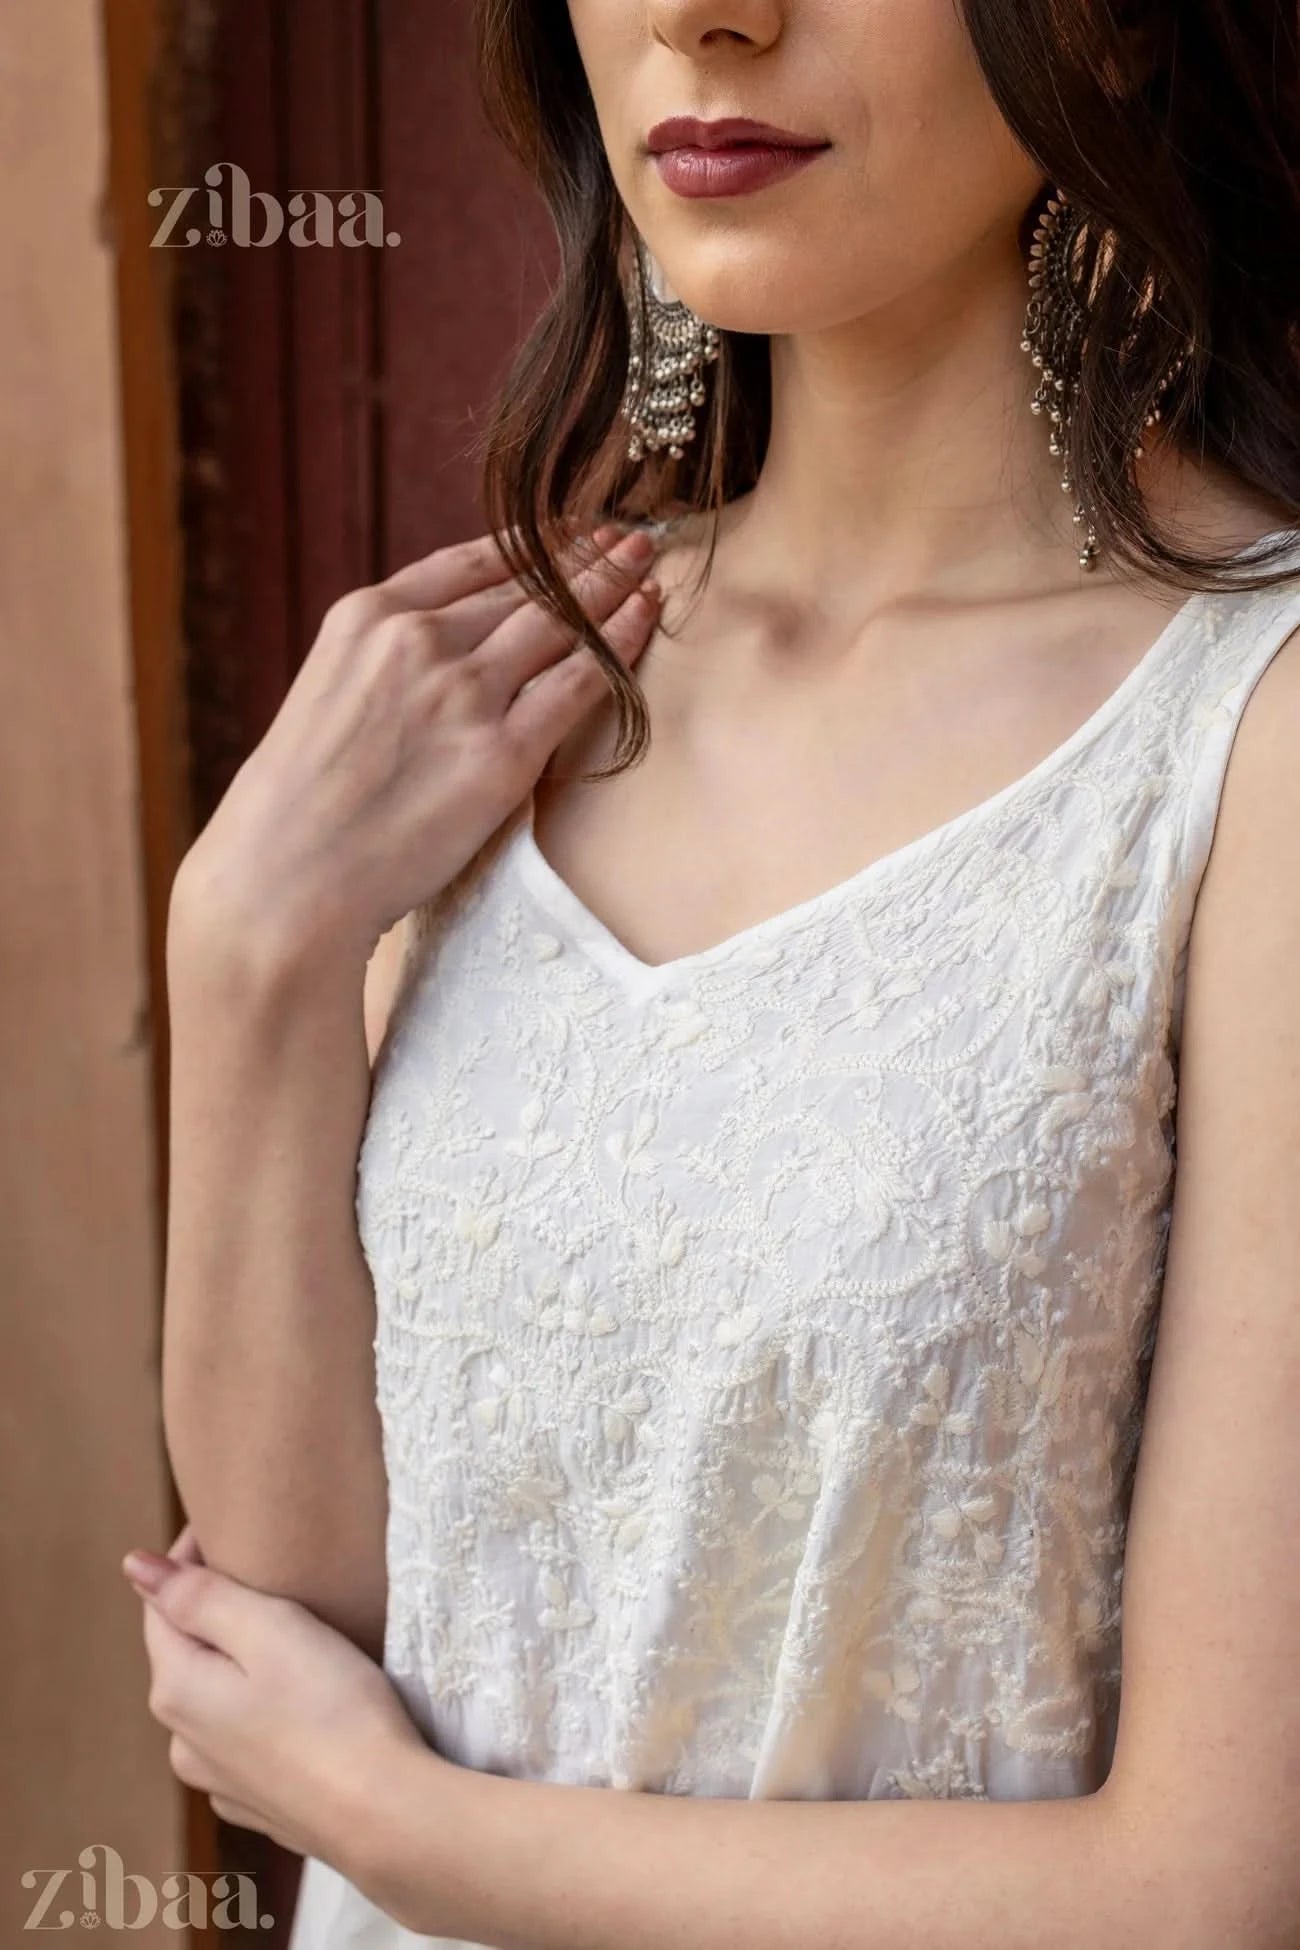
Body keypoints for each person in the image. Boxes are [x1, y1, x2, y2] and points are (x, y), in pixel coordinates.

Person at [125, 3, 1300, 1946]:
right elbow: (316, 1627)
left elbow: (1196, 1891)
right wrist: (252, 957)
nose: (703, 15)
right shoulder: (509, 687)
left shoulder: (1240, 736)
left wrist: (382, 1824)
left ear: (1099, 24)